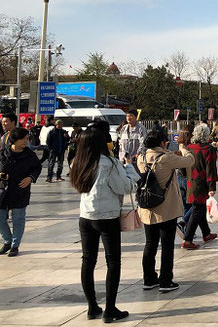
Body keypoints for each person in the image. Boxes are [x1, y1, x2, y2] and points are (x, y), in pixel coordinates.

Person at [70, 126, 140, 322]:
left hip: (85, 217)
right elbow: (125, 187)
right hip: (107, 217)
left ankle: (92, 307)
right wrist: (130, 170)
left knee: (88, 260)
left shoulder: (78, 162)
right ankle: (110, 309)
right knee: (113, 262)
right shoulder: (108, 163)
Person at [137, 130, 194, 293]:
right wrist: (183, 148)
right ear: (162, 143)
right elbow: (189, 161)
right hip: (166, 208)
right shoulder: (166, 159)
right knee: (167, 245)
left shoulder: (141, 158)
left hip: (148, 208)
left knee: (150, 244)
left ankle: (149, 279)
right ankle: (166, 281)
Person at [0, 128, 42, 257]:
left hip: (20, 189)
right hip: (3, 191)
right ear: (15, 140)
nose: (26, 141)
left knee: (18, 218)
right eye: (23, 139)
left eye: (27, 138)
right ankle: (7, 241)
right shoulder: (3, 154)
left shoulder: (29, 154)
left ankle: (14, 245)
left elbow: (37, 168)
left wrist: (30, 178)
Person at [182, 124, 218, 250]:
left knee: (200, 208)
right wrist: (212, 186)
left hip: (191, 182)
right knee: (197, 210)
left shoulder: (189, 148)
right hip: (202, 184)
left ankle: (206, 233)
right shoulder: (209, 149)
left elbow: (182, 166)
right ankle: (187, 239)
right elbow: (211, 169)